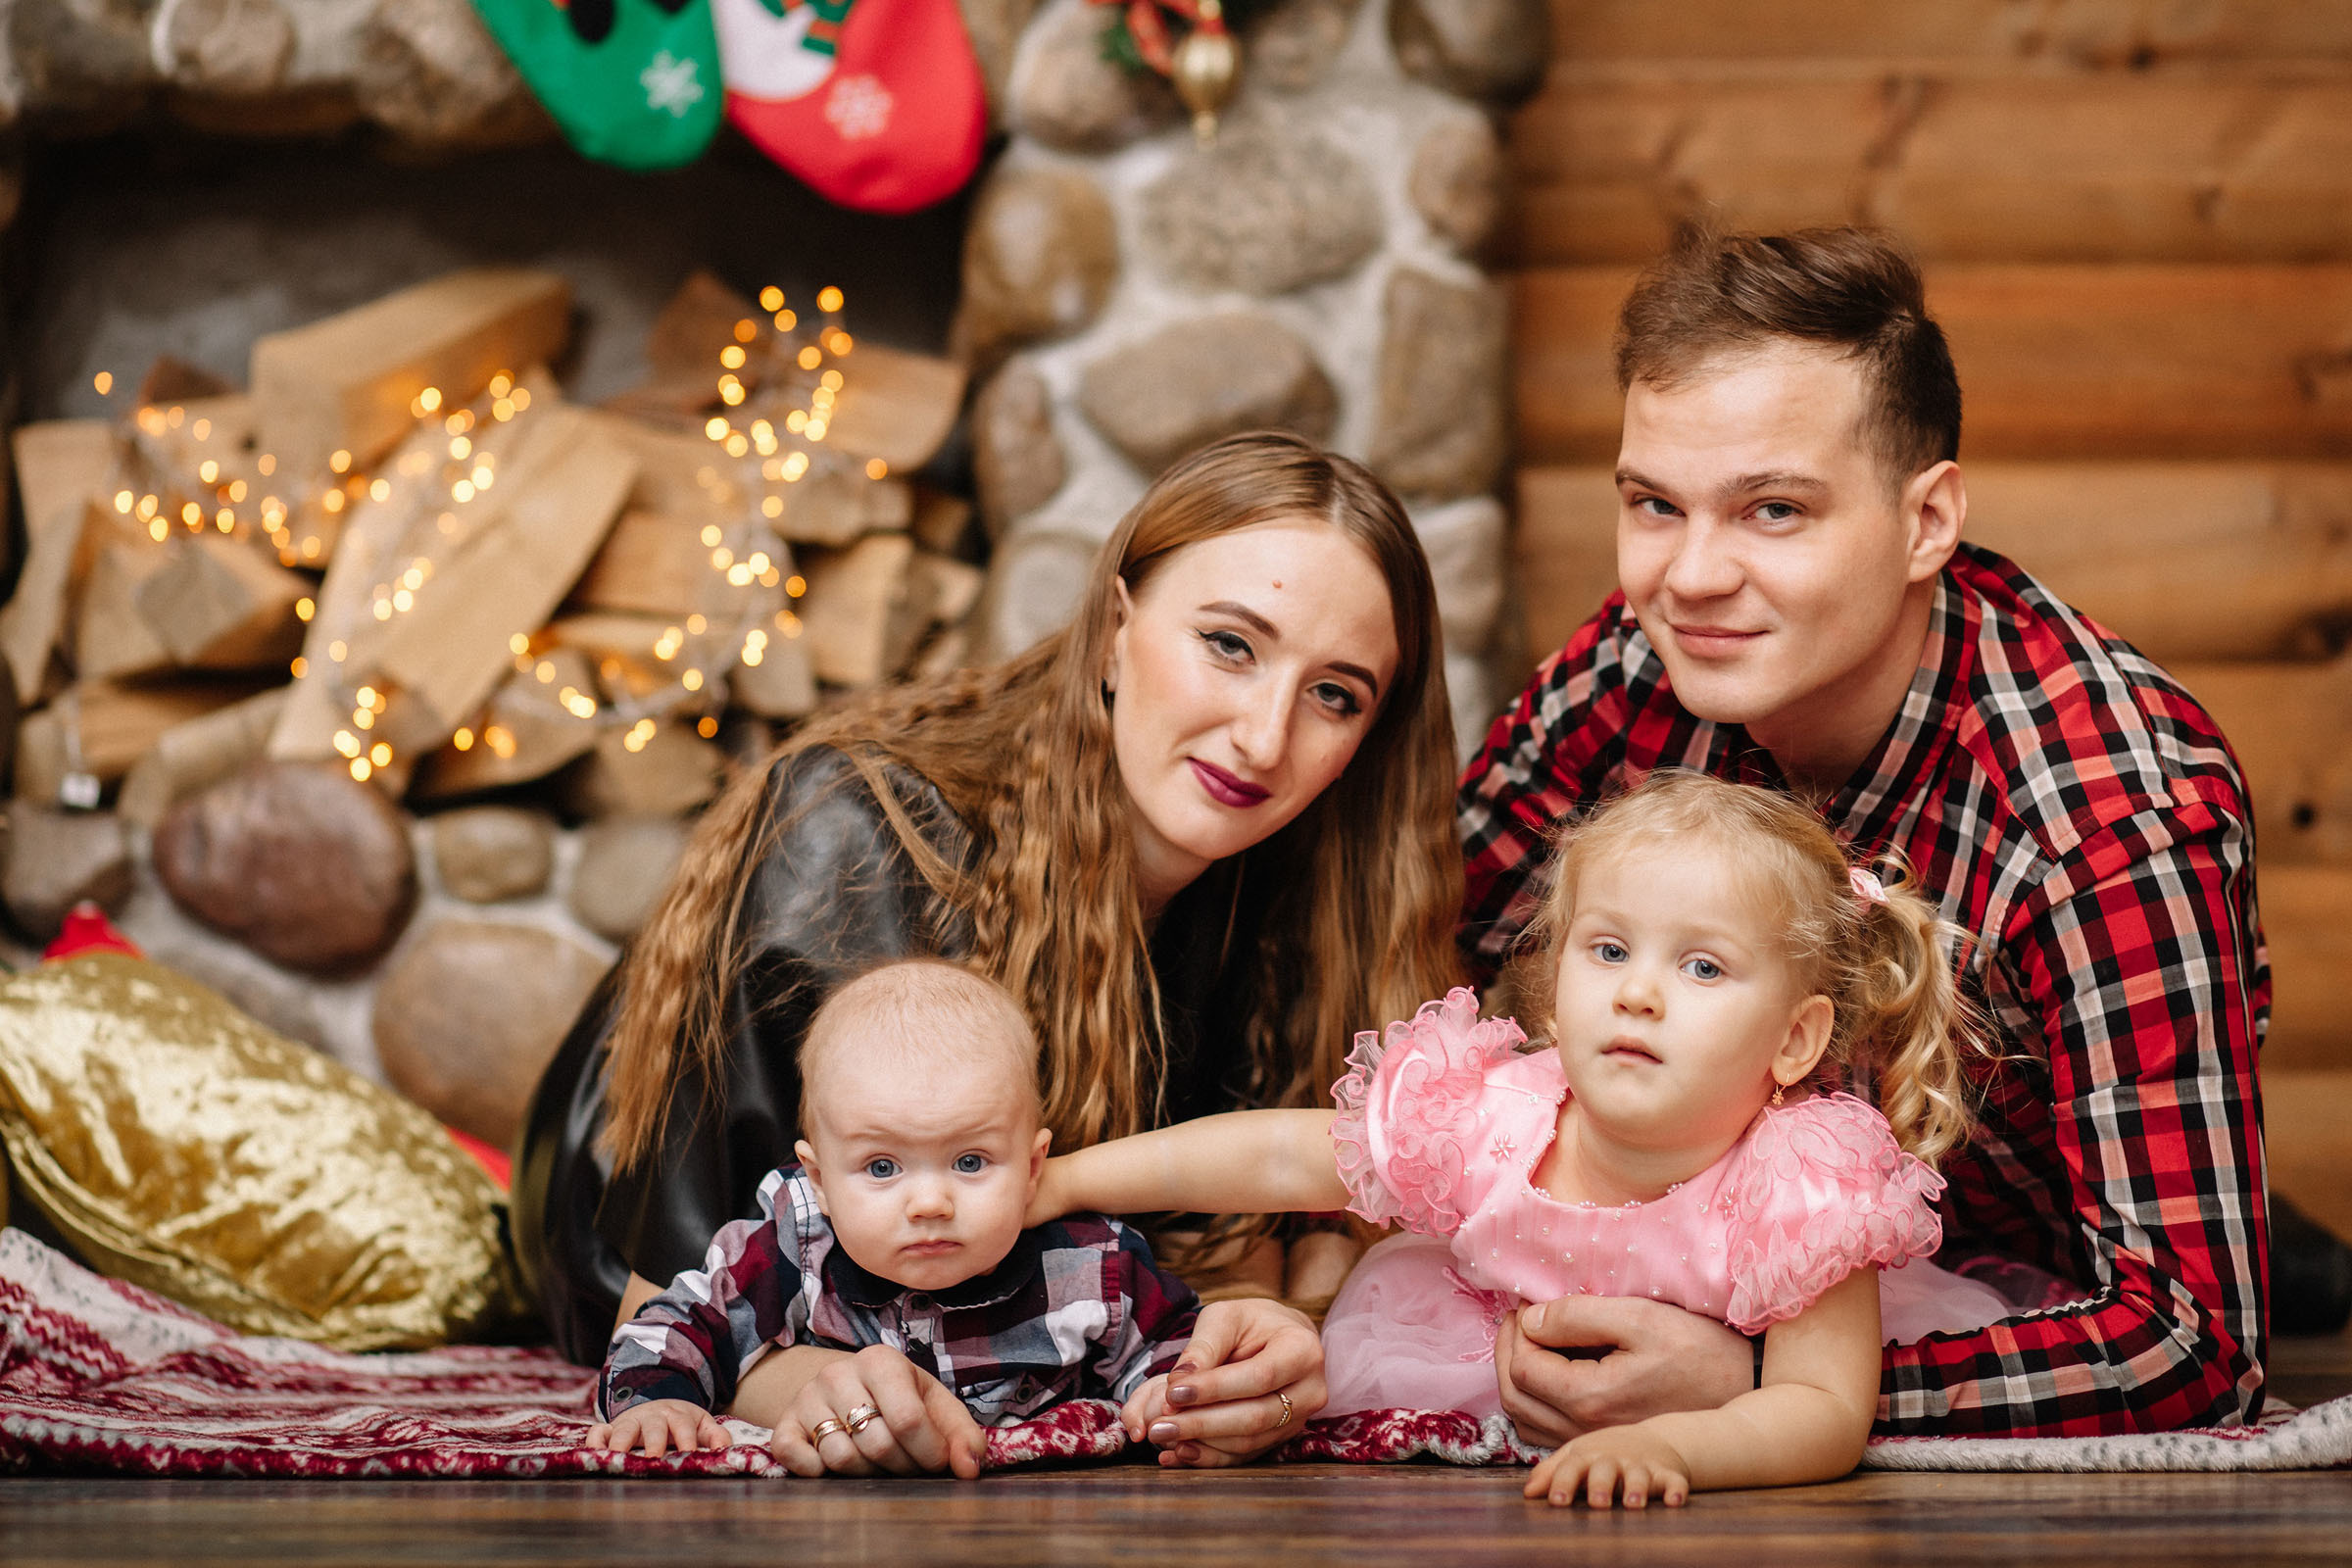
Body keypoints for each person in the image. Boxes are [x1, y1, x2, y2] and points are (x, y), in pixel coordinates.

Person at [514, 430, 1466, 1469]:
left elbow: (1227, 1252)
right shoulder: (857, 834)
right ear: (1113, 631)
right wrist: (823, 1389)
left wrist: (1269, 1343)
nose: (1264, 737)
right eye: (1230, 645)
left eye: (1336, 694)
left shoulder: (1296, 880)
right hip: (629, 1236)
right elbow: (680, 1306)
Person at [1459, 225, 2268, 1439]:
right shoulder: (1639, 666)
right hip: (1697, 1237)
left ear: (1927, 519)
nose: (1688, 576)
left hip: (2004, 1267)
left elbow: (2194, 1350)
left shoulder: (2111, 828)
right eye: (1652, 504)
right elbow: (1429, 944)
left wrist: (1769, 1389)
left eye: (1771, 510)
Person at [1028, 772, 2003, 1506]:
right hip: (1468, 1357)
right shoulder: (1490, 1117)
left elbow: (1822, 1412)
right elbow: (1286, 1156)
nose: (1638, 990)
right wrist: (1069, 1179)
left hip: (1698, 1438)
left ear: (1795, 1038)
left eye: (1702, 966)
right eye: (1609, 948)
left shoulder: (1803, 1185)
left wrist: (1676, 1449)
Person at [590, 961, 1203, 1477]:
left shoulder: (1092, 1267)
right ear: (821, 1181)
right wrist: (656, 1403)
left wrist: (1163, 1392)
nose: (929, 1202)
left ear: (1034, 1166)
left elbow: (1173, 1342)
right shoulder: (792, 1250)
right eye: (882, 1167)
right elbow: (672, 1327)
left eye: (970, 1161)